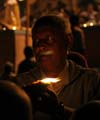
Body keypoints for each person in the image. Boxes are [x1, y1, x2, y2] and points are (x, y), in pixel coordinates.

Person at [16, 15, 100, 110]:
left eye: (49, 39)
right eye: (36, 41)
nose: (40, 47)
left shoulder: (91, 83)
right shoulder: (22, 84)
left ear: (68, 41)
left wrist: (58, 109)